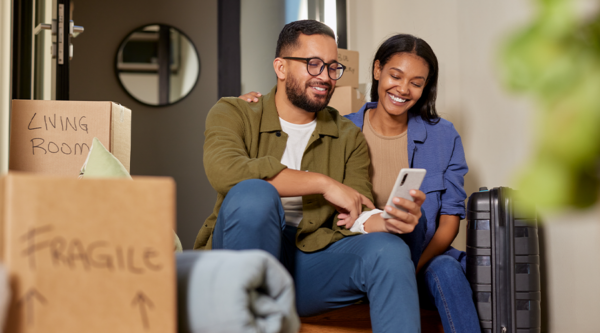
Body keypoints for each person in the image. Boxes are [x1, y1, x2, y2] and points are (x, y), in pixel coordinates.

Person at [194, 20, 427, 332]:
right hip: (241, 258)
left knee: (391, 251)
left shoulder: (347, 135)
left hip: (309, 266)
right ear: (281, 67)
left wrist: (388, 221)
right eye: (313, 64)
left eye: (333, 67)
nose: (325, 77)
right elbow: (226, 172)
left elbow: (356, 210)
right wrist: (323, 183)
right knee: (255, 195)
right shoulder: (233, 112)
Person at [240, 34, 480, 333]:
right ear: (377, 70)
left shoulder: (443, 136)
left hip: (422, 257)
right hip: (360, 252)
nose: (403, 89)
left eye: (416, 83)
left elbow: (449, 222)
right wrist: (252, 106)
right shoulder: (342, 130)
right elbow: (292, 115)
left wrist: (410, 267)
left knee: (447, 269)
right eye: (395, 75)